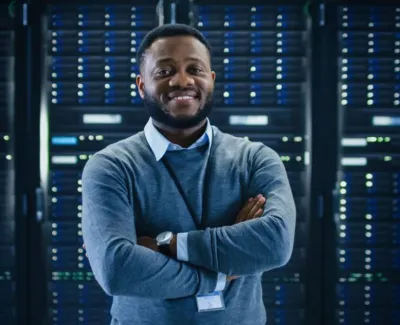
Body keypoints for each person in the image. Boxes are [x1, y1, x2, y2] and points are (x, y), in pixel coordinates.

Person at [81, 23, 296, 325]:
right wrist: (220, 274)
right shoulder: (110, 167)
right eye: (164, 72)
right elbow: (118, 269)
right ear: (142, 85)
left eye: (194, 69)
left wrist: (168, 246)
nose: (182, 81)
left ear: (211, 79)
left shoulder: (255, 159)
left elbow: (275, 243)